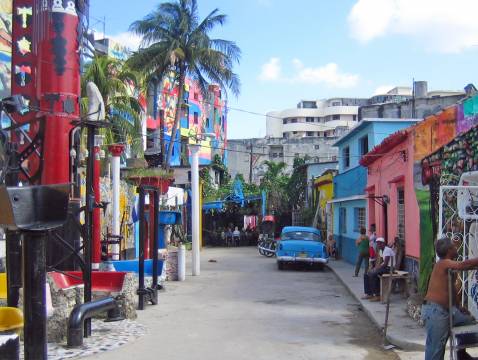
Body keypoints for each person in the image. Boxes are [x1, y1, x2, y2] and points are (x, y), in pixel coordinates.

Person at [422, 237, 477, 360]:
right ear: (449, 250)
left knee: (468, 322)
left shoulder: (448, 268)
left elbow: (450, 290)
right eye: (454, 246)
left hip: (449, 310)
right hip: (436, 311)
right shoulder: (443, 263)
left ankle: (461, 354)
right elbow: (464, 265)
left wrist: (459, 307)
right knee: (436, 349)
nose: (456, 248)